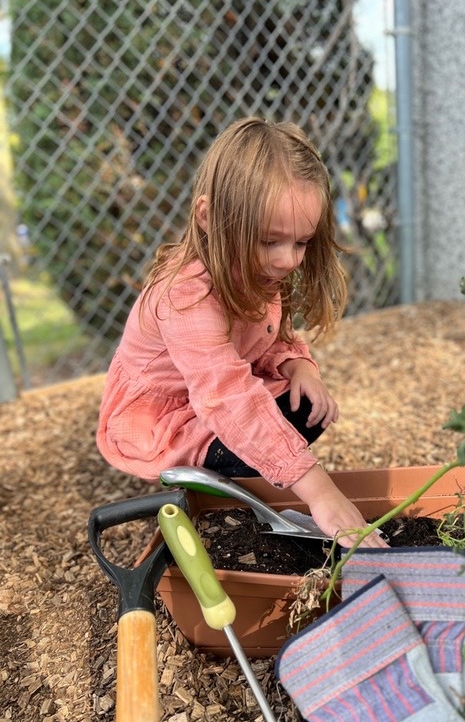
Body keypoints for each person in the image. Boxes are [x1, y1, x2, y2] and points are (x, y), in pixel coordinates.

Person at [97, 117, 387, 548]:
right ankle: (213, 487)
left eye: (301, 242)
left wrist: (300, 367)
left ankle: (252, 473)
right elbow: (227, 395)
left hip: (211, 397)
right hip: (167, 417)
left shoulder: (255, 268)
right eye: (270, 241)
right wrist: (321, 493)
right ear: (209, 218)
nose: (288, 260)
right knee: (262, 439)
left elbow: (272, 336)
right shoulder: (185, 296)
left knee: (305, 406)